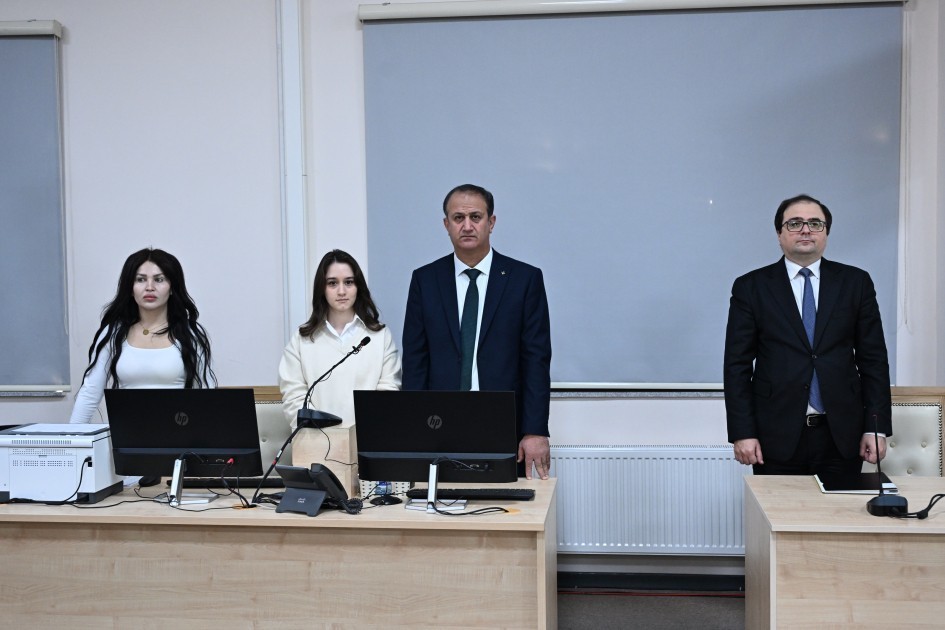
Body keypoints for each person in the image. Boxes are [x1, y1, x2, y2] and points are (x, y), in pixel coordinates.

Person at [724, 194, 892, 475]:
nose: (805, 230)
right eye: (795, 223)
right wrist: (743, 432)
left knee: (841, 505)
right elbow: (736, 366)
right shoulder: (751, 287)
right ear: (779, 234)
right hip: (775, 434)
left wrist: (876, 428)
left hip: (843, 434)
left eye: (815, 223)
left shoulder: (855, 283)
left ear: (826, 233)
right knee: (780, 506)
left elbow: (873, 360)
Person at [402, 184, 552, 480]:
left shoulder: (524, 280)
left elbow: (536, 360)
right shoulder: (425, 280)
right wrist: (415, 429)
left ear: (491, 222)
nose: (467, 226)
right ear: (446, 225)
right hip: (439, 423)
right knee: (440, 503)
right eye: (458, 218)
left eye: (476, 217)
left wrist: (534, 430)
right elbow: (416, 360)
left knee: (506, 504)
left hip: (504, 423)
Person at [70, 248, 215, 424]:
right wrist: (74, 437)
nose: (149, 287)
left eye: (159, 279)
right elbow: (89, 393)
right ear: (130, 288)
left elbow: (207, 396)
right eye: (140, 279)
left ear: (172, 288)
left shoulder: (190, 334)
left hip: (179, 434)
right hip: (126, 435)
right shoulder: (113, 333)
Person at [279, 249, 401, 430]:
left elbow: (387, 394)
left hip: (366, 439)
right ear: (322, 288)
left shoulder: (380, 336)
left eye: (349, 282)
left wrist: (359, 435)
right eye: (332, 283)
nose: (342, 291)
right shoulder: (301, 338)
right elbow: (293, 397)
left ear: (358, 287)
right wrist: (323, 434)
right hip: (315, 439)